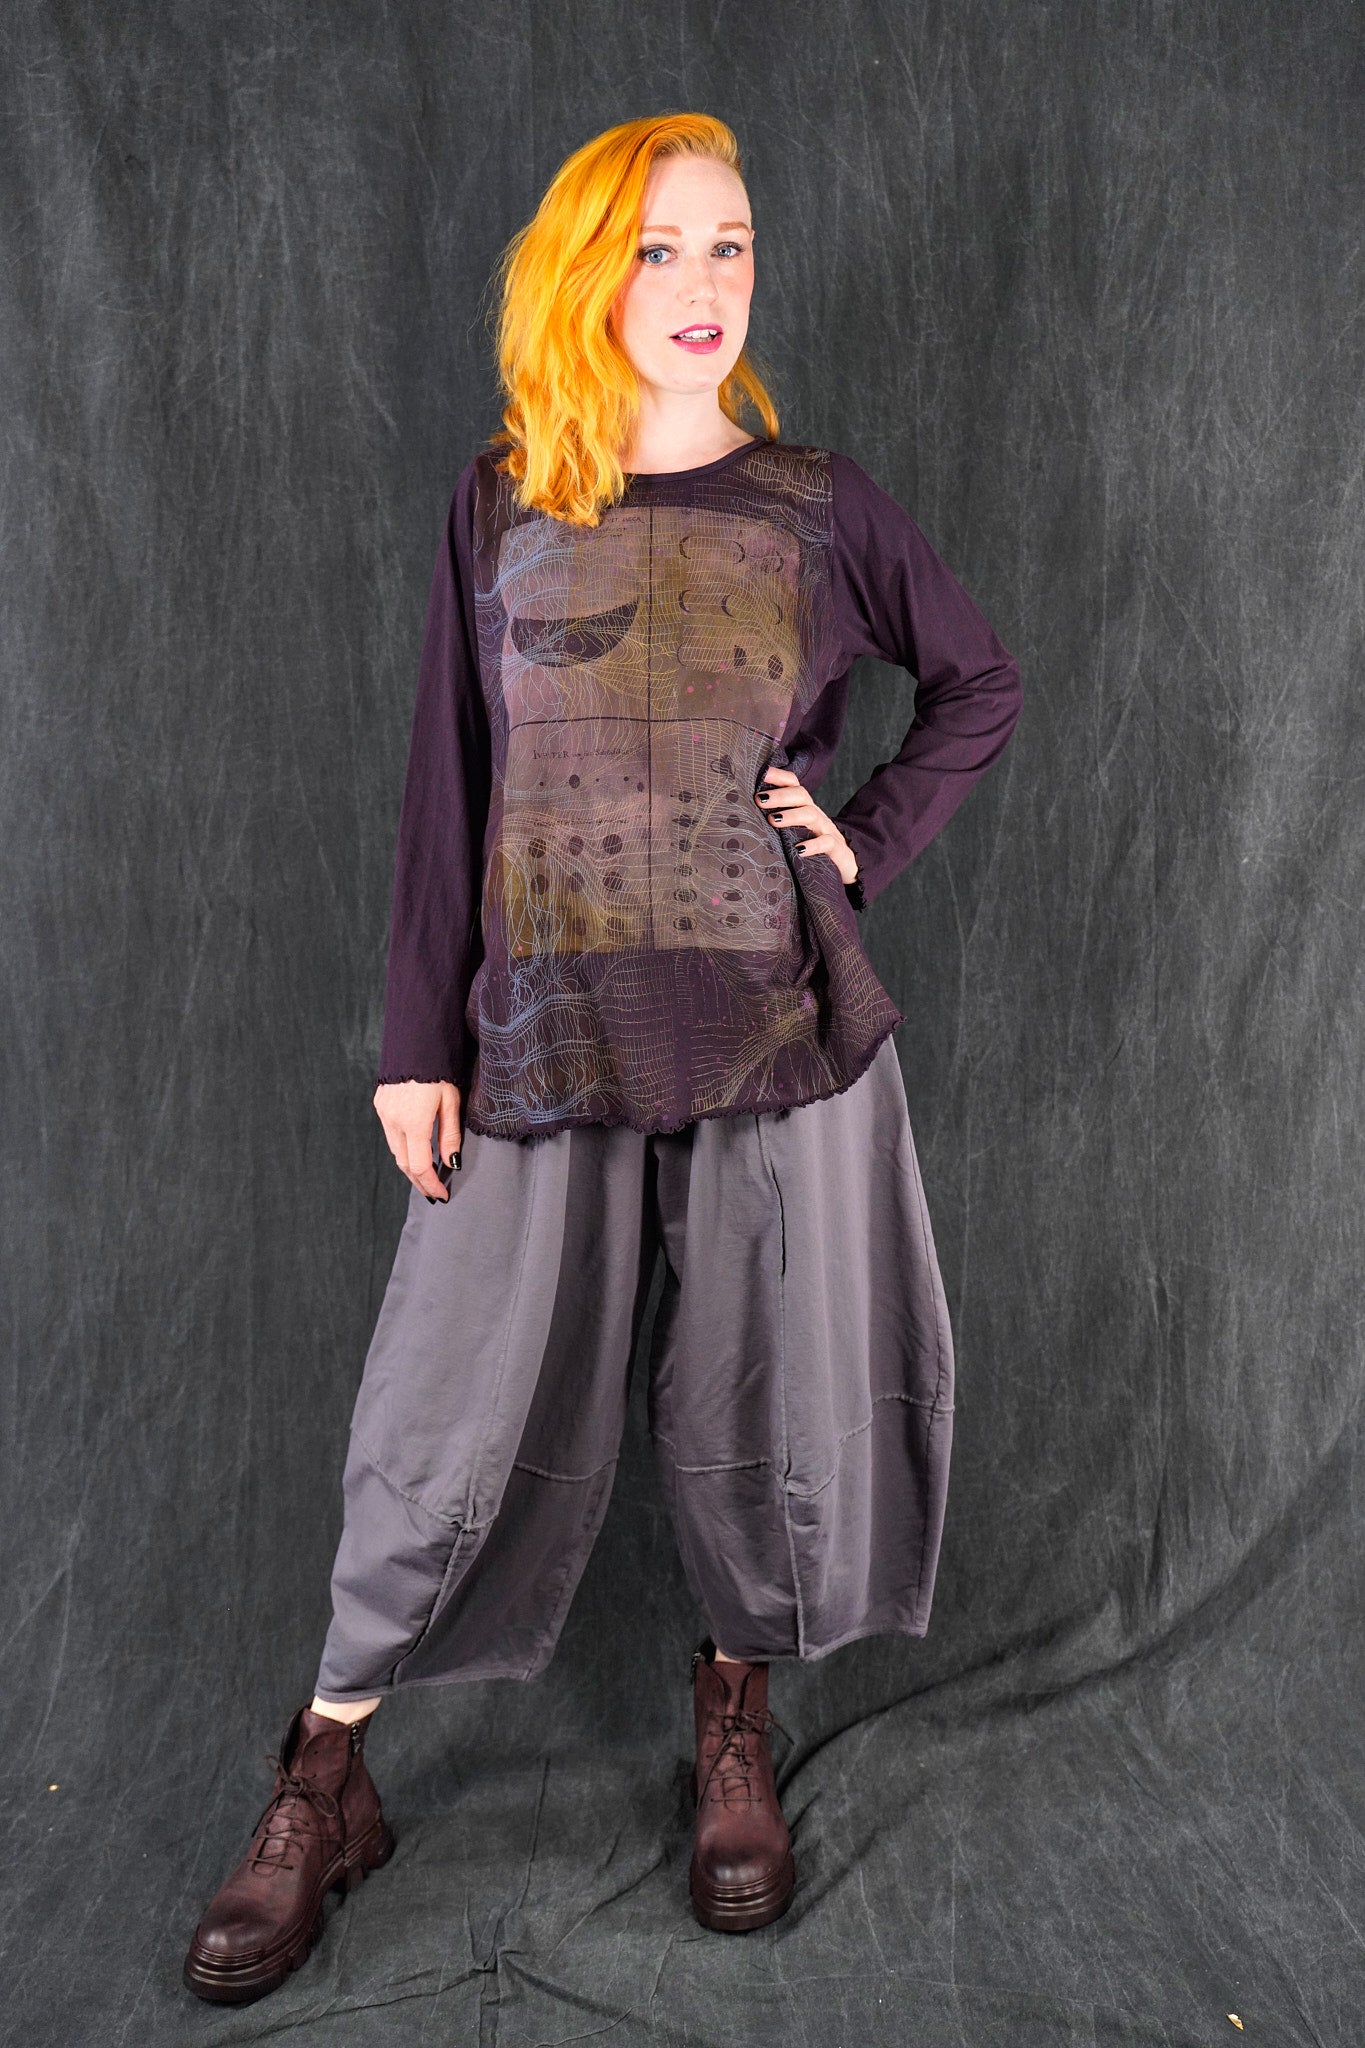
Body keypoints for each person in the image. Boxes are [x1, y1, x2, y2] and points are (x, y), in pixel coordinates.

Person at [182, 110, 1022, 2005]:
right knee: (446, 1408)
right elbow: (447, 789)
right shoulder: (501, 502)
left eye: (730, 245)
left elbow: (978, 681)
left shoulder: (817, 505)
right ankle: (327, 1771)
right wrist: (417, 1040)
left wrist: (857, 844)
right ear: (588, 272)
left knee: (755, 1390)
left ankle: (731, 1721)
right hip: (541, 1025)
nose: (703, 285)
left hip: (768, 1026)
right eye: (659, 248)